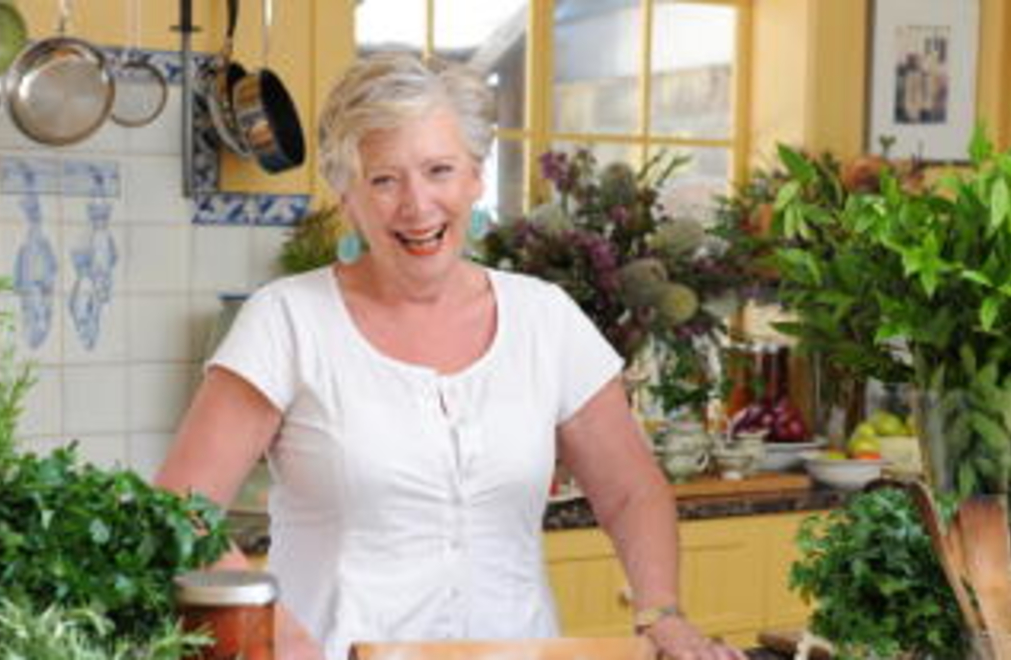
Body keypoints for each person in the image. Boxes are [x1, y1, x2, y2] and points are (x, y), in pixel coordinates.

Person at [156, 52, 745, 660]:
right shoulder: (288, 321)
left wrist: (661, 613)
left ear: (474, 177)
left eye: (439, 170)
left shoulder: (545, 319)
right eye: (383, 180)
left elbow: (630, 491)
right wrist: (274, 630)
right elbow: (179, 508)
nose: (417, 205)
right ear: (346, 195)